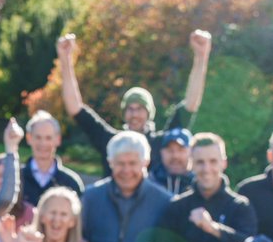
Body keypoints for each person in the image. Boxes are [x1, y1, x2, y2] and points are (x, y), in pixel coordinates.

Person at [55, 29, 212, 178]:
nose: (135, 114)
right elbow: (75, 108)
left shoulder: (161, 144)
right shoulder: (111, 141)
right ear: (124, 114)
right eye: (130, 109)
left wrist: (201, 56)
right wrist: (65, 59)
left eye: (140, 109)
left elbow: (191, 104)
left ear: (149, 114)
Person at [80, 131, 170, 242]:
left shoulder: (164, 202)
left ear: (146, 162)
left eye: (133, 163)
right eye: (120, 164)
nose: (126, 170)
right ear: (110, 163)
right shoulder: (91, 198)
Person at [20, 110, 84, 208]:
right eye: (38, 137)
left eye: (48, 138)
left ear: (58, 139)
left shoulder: (71, 183)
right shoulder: (16, 179)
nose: (43, 143)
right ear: (29, 138)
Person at [152, 126, 194, 196]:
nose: (175, 156)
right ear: (161, 153)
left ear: (191, 152)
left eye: (181, 150)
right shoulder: (150, 182)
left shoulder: (201, 185)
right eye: (170, 150)